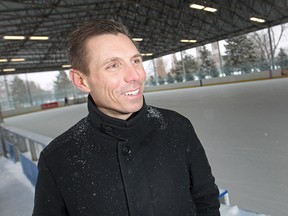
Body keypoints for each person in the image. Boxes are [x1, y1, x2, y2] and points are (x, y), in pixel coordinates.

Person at [32, 19, 220, 216]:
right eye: (113, 65)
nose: (134, 76)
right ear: (81, 80)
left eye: (136, 61)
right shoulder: (57, 159)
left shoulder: (177, 127)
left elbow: (206, 199)